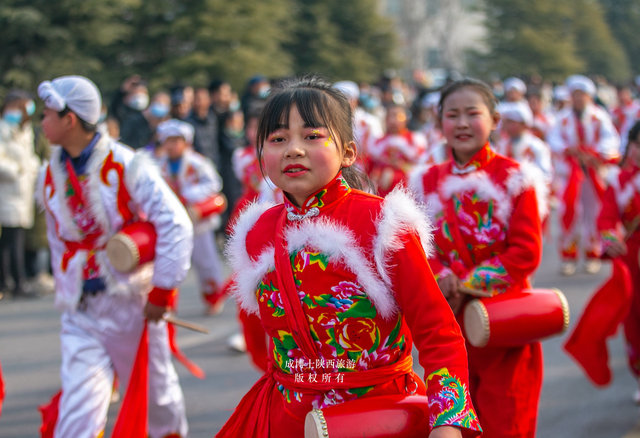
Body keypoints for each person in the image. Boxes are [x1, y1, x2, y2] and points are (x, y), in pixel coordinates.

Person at [217, 76, 481, 438]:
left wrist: (448, 421)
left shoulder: (383, 225)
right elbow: (261, 337)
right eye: (278, 139)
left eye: (312, 136)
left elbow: (437, 330)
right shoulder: (255, 233)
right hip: (287, 418)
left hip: (378, 416)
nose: (293, 149)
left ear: (348, 153)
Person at [36, 75, 191, 438]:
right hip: (82, 309)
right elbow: (59, 243)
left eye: (46, 115)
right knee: (77, 413)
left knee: (158, 399)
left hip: (131, 304)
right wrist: (67, 291)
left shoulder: (126, 164)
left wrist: (162, 292)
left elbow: (175, 223)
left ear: (69, 119)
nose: (41, 122)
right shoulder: (49, 175)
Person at [411, 78, 546, 438]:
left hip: (503, 325)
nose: (463, 123)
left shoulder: (516, 179)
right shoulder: (422, 182)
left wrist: (466, 283)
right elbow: (419, 248)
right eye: (452, 115)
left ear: (495, 119)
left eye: (473, 113)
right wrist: (441, 276)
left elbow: (526, 252)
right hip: (449, 329)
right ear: (439, 122)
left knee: (507, 420)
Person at [547, 75, 621, 276]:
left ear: (589, 96)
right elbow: (552, 139)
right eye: (575, 95)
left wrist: (594, 152)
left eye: (582, 95)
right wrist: (568, 148)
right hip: (570, 174)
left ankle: (592, 254)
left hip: (592, 173)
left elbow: (611, 139)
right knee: (569, 211)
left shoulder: (599, 116)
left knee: (593, 213)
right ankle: (568, 256)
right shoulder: (562, 118)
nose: (578, 99)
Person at [156, 119, 226, 315]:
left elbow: (214, 184)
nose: (171, 145)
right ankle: (167, 303)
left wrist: (188, 194)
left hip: (198, 222)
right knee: (170, 261)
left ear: (185, 142)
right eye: (167, 141)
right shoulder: (160, 165)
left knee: (206, 261)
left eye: (175, 140)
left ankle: (213, 297)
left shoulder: (198, 162)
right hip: (172, 222)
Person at [593, 121, 640, 400]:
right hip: (632, 257)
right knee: (634, 317)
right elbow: (607, 216)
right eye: (637, 144)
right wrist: (610, 239)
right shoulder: (619, 180)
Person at [0, 90, 41, 298]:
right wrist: (16, 171)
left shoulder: (24, 130)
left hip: (22, 191)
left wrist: (33, 169)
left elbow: (30, 157)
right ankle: (15, 282)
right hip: (7, 190)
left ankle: (14, 282)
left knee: (16, 238)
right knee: (10, 240)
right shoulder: (3, 129)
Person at [368, 105, 427, 197]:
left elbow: (421, 164)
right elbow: (370, 166)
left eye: (397, 116)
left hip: (409, 188)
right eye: (390, 116)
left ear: (406, 119)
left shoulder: (415, 139)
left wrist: (402, 165)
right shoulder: (377, 142)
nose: (393, 121)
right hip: (382, 190)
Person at [497, 101, 553, 184]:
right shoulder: (502, 144)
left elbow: (545, 175)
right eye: (507, 122)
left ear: (524, 124)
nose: (508, 126)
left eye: (512, 123)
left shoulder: (536, 146)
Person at [333, 81, 383, 168]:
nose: (343, 103)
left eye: (347, 98)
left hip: (363, 169)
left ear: (356, 101)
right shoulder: (328, 122)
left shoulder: (369, 122)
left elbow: (378, 150)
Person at [186, 87, 219, 167]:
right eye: (197, 99)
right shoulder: (187, 122)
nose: (199, 102)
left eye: (202, 99)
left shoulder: (214, 119)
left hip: (215, 164)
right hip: (196, 166)